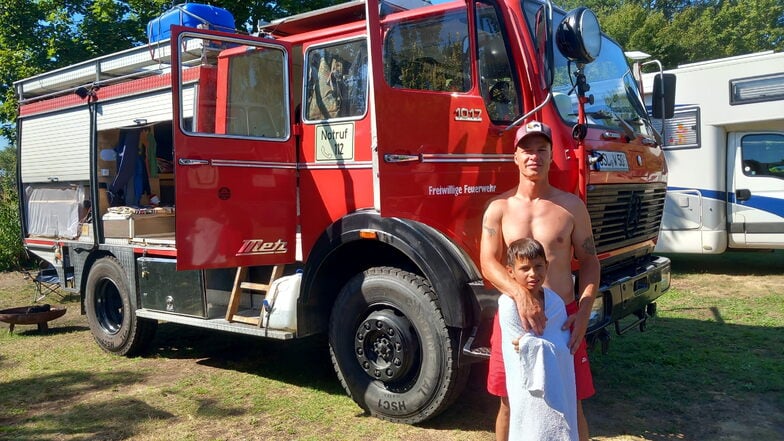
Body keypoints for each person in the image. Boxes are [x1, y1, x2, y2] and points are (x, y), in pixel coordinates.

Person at [480, 120, 600, 441]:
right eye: (527, 150)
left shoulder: (571, 207)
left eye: (541, 150)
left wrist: (584, 312)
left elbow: (590, 263)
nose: (534, 156)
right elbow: (488, 263)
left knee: (571, 403)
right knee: (508, 403)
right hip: (515, 320)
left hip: (563, 321)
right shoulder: (498, 209)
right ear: (515, 157)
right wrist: (521, 296)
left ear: (551, 157)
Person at [498, 237, 576, 441]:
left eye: (538, 266)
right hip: (526, 388)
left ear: (547, 266)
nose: (533, 274)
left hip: (557, 380)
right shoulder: (508, 304)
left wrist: (529, 344)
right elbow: (517, 347)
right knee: (531, 428)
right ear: (510, 272)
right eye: (525, 268)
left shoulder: (555, 301)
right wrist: (528, 344)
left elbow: (561, 344)